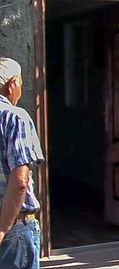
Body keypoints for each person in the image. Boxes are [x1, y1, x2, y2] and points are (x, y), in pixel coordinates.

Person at [0, 58, 44, 269]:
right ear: (12, 85)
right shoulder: (14, 117)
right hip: (12, 226)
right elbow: (20, 181)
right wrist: (2, 229)